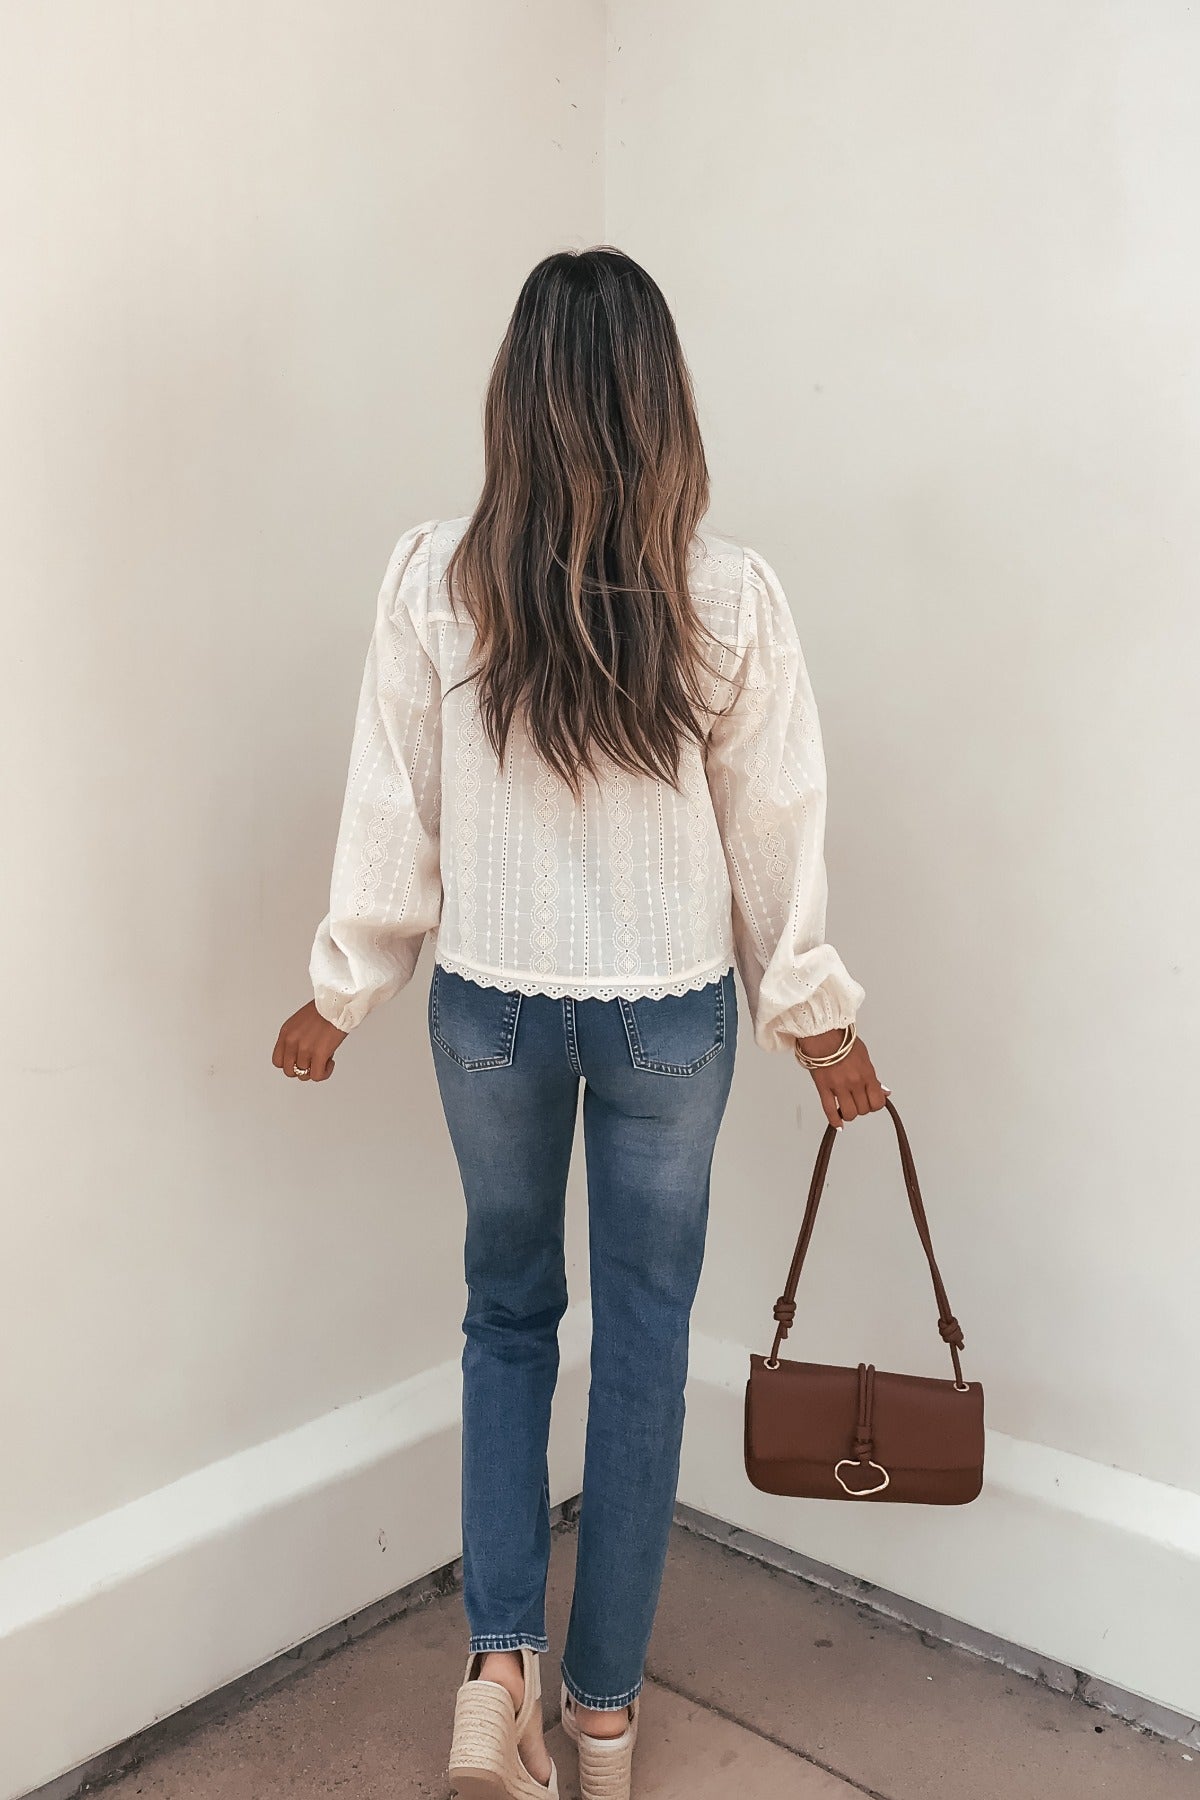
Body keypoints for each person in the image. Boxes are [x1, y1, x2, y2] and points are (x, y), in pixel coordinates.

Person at [272, 247, 884, 1800]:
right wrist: (816, 1019)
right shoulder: (727, 595)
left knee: (503, 1317)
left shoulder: (437, 577)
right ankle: (603, 1720)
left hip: (487, 1009)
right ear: (661, 401)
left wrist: (342, 989)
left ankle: (499, 1671)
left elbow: (392, 807)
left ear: (515, 397)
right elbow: (774, 827)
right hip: (670, 1021)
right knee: (645, 1343)